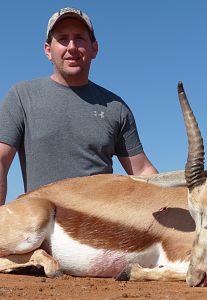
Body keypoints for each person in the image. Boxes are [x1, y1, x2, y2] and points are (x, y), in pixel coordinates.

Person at [0, 7, 158, 205]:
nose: (71, 47)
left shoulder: (116, 107)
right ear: (48, 50)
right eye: (63, 39)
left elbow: (142, 171)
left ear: (94, 48)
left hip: (104, 226)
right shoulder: (21, 97)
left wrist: (181, 198)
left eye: (80, 38)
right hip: (43, 225)